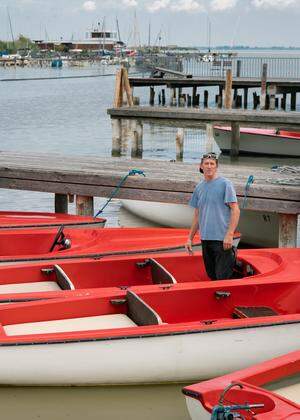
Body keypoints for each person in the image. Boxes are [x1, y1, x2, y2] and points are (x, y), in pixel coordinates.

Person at [185, 152, 240, 280]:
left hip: (222, 241)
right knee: (212, 276)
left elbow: (235, 210)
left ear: (216, 167)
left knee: (222, 278)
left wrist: (230, 234)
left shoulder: (225, 184)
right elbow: (197, 215)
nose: (209, 166)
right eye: (206, 164)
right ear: (201, 166)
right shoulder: (199, 187)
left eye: (212, 164)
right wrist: (190, 238)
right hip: (205, 239)